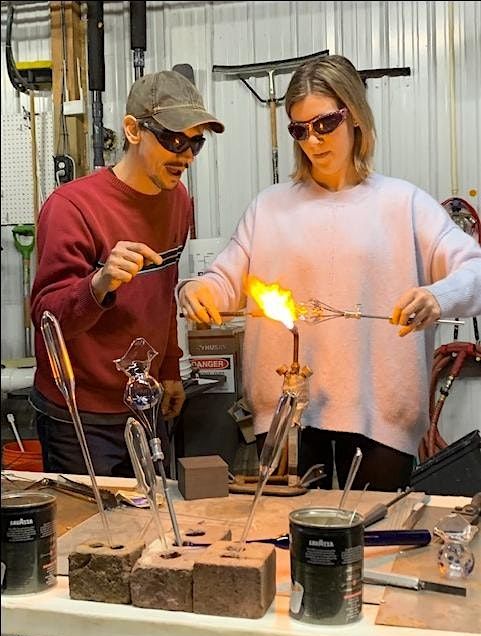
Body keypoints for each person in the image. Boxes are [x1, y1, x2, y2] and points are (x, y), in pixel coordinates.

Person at [178, 55, 481, 492]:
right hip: (288, 414)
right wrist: (200, 289)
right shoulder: (270, 208)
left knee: (375, 541)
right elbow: (227, 279)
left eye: (324, 124)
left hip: (382, 415)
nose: (313, 141)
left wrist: (439, 296)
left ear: (354, 116)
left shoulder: (404, 204)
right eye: (299, 129)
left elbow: (472, 268)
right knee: (290, 541)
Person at [30, 70, 224, 476]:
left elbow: (164, 293)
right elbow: (46, 317)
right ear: (134, 130)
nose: (186, 155)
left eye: (196, 142)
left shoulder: (178, 201)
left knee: (154, 528)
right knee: (88, 536)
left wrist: (170, 369)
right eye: (174, 140)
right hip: (78, 414)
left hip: (145, 404)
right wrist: (98, 285)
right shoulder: (72, 208)